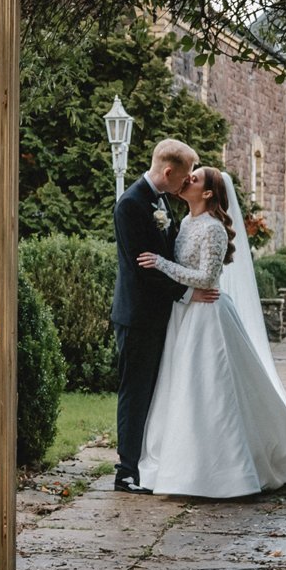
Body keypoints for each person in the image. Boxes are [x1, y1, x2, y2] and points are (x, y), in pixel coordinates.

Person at [134, 165, 286, 498]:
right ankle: (186, 464)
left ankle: (226, 469)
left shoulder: (214, 228)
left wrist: (161, 264)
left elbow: (206, 278)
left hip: (209, 317)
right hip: (186, 314)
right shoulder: (187, 223)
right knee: (185, 388)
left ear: (207, 193)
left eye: (195, 178)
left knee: (213, 389)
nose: (187, 178)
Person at [110, 138, 217, 494]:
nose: (186, 184)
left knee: (157, 392)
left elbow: (169, 255)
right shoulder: (130, 205)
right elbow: (144, 270)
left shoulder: (161, 202)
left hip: (162, 314)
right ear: (169, 172)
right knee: (136, 392)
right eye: (185, 177)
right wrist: (188, 293)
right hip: (138, 315)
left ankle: (149, 462)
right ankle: (126, 471)